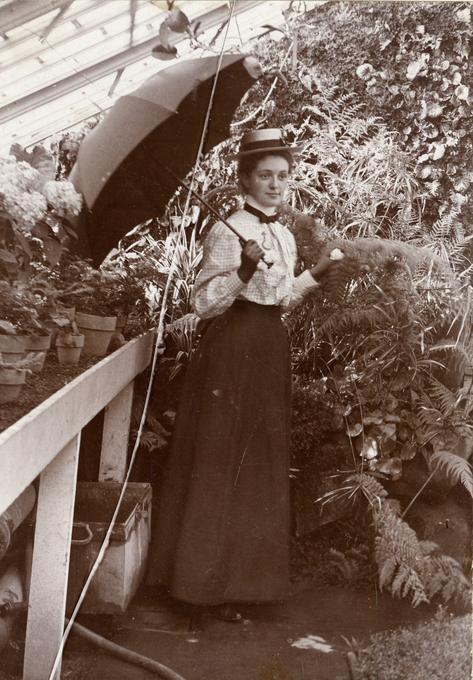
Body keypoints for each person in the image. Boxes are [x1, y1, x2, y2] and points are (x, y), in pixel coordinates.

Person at [148, 128, 340, 628]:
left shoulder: (282, 233)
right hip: (230, 351)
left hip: (268, 347)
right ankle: (199, 588)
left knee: (256, 460)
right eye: (265, 176)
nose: (275, 185)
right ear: (245, 180)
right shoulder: (226, 230)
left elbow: (280, 300)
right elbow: (205, 305)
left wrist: (318, 273)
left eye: (283, 176)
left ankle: (246, 585)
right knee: (220, 456)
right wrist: (242, 271)